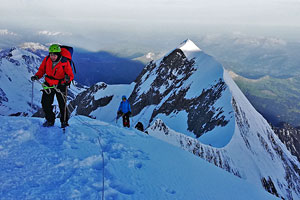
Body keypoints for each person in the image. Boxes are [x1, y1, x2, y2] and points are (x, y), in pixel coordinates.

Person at [31, 44, 74, 128]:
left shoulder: (65, 62)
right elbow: (42, 70)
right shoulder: (47, 59)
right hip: (49, 83)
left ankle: (64, 122)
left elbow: (70, 74)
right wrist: (37, 76)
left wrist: (67, 80)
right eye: (51, 54)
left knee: (62, 104)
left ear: (58, 54)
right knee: (45, 103)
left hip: (61, 84)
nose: (52, 57)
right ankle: (50, 120)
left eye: (54, 55)